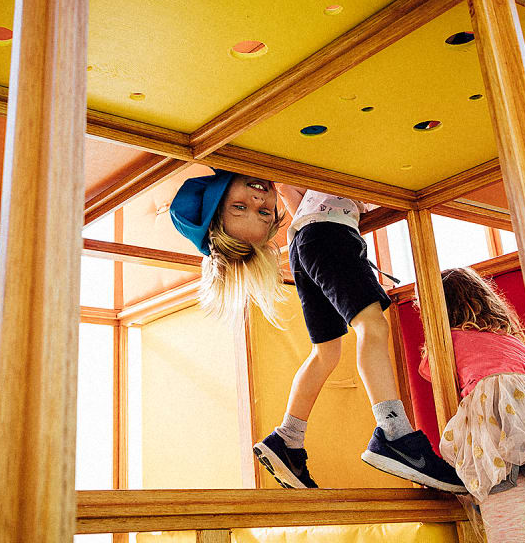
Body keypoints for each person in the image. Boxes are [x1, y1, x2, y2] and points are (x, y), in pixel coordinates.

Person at [169, 169, 465, 492]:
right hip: (328, 235)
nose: (256, 201)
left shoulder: (286, 174)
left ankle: (288, 438)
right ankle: (395, 432)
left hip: (305, 244)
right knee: (372, 325)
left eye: (257, 210)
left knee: (326, 352)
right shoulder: (303, 177)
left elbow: (288, 187)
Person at [420, 267, 525, 543]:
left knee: (507, 525)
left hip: (498, 425)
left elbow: (429, 371)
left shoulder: (449, 340)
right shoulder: (512, 339)